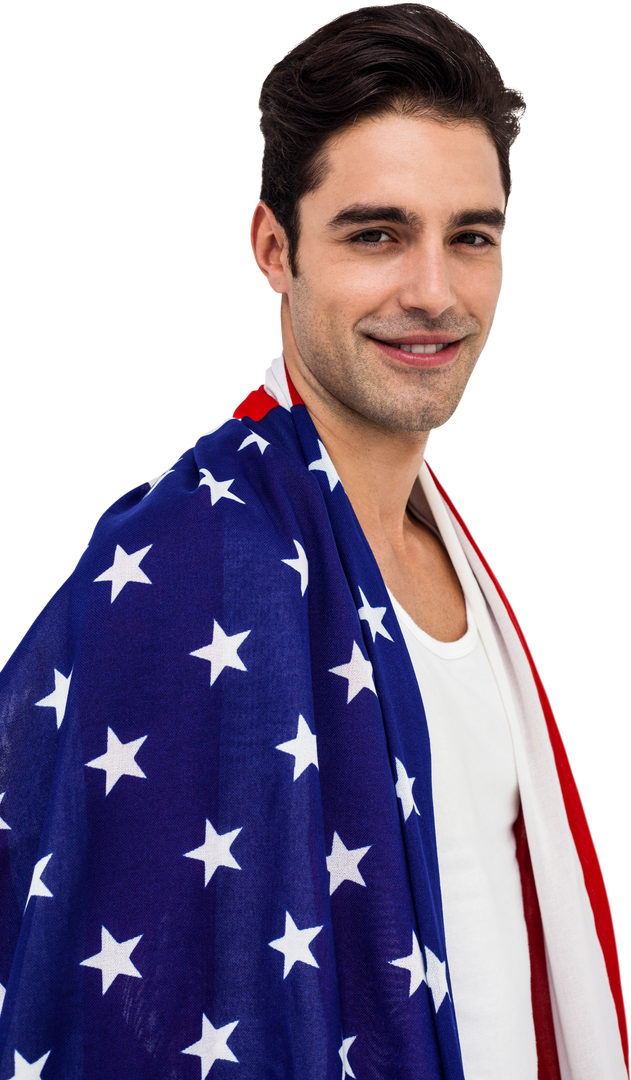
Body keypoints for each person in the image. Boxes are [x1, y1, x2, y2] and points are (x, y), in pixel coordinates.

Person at [0, 3, 627, 1078]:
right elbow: (143, 1005)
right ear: (272, 249)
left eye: (470, 237)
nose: (433, 293)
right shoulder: (200, 558)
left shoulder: (453, 549)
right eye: (376, 233)